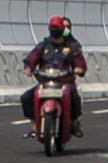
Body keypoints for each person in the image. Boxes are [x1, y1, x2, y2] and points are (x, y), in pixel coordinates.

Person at [19, 13, 86, 141]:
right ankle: (34, 125)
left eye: (57, 28)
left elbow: (79, 62)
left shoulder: (71, 47)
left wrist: (78, 69)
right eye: (52, 28)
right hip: (45, 82)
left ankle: (73, 123)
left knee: (74, 97)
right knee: (26, 97)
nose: (55, 31)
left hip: (64, 83)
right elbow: (33, 56)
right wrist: (28, 68)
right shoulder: (44, 45)